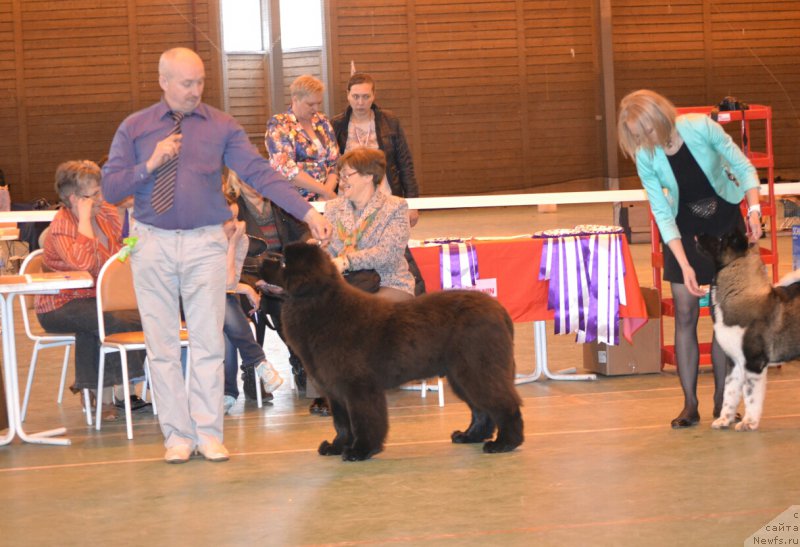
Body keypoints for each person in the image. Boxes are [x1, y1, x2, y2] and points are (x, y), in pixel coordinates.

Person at [102, 47, 331, 464]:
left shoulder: (221, 126)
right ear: (164, 81)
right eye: (186, 83)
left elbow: (261, 173)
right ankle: (176, 435)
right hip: (152, 243)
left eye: (200, 82)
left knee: (208, 340)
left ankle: (207, 432)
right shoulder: (135, 128)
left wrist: (308, 211)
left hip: (206, 243)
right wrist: (151, 163)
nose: (195, 91)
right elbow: (111, 189)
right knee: (163, 345)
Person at [617, 89, 762, 429]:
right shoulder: (646, 157)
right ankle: (689, 404)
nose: (646, 140)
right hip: (683, 232)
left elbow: (742, 166)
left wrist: (754, 210)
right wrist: (683, 264)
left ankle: (722, 404)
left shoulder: (700, 128)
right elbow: (662, 214)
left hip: (726, 223)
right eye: (637, 136)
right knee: (684, 313)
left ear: (661, 116)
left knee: (724, 317)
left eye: (648, 130)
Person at [36, 160, 146, 422]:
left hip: (96, 300)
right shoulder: (62, 225)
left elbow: (122, 252)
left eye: (100, 191)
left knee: (125, 315)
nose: (100, 198)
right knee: (111, 318)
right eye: (93, 194)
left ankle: (95, 391)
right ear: (74, 198)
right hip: (60, 304)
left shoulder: (106, 213)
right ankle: (110, 392)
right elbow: (83, 265)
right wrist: (84, 218)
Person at [331, 72, 425, 295]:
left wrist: (412, 203)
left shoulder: (389, 121)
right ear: (347, 96)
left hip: (386, 198)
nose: (360, 102)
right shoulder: (336, 125)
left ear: (374, 95)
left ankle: (411, 293)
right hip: (353, 200)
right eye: (355, 97)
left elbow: (405, 163)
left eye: (365, 96)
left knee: (396, 254)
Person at [326, 148, 415, 301]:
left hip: (389, 282)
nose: (341, 181)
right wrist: (318, 247)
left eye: (347, 175)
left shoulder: (395, 207)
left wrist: (347, 261)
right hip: (345, 284)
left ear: (368, 176)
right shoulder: (332, 208)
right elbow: (329, 250)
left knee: (360, 311)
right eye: (341, 176)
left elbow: (388, 253)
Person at [221, 191, 282, 414]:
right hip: (191, 300)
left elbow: (228, 282)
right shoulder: (202, 241)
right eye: (229, 220)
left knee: (224, 314)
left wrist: (234, 244)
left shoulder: (241, 240)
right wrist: (245, 287)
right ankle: (259, 362)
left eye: (238, 218)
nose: (236, 225)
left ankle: (228, 393)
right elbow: (215, 284)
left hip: (220, 299)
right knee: (224, 302)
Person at [265, 75, 339, 201]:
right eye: (310, 104)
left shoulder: (323, 121)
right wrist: (324, 191)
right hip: (294, 202)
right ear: (295, 99)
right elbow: (287, 169)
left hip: (325, 198)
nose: (316, 109)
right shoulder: (279, 124)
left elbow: (334, 163)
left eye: (318, 103)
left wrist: (325, 194)